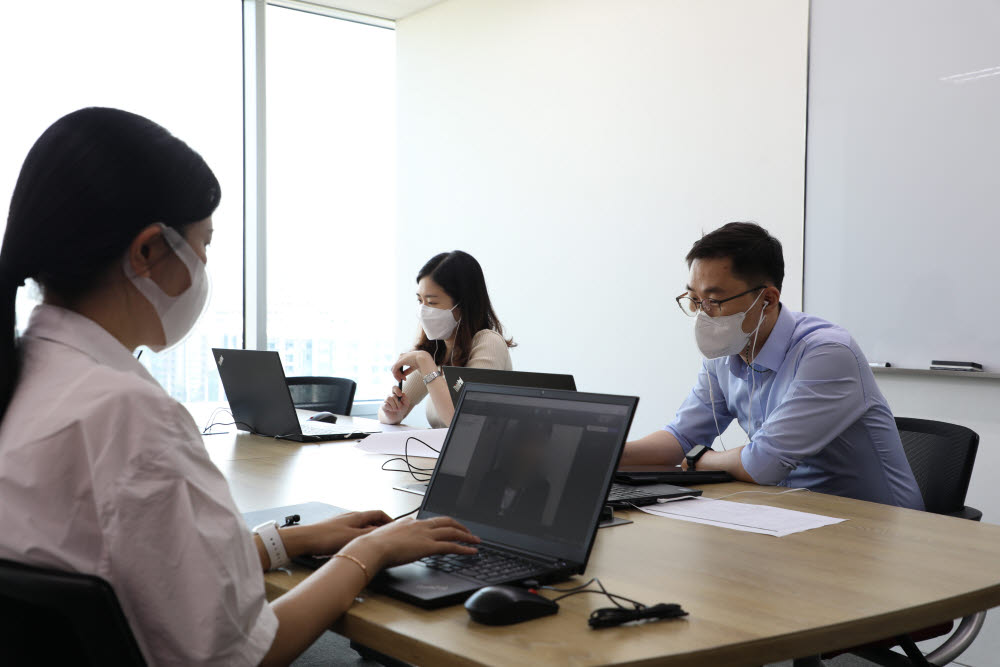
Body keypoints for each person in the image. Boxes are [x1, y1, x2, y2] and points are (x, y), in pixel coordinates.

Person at [0, 108, 480, 666]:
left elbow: (143, 566)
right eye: (203, 243)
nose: (205, 263)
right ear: (149, 251)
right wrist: (370, 552)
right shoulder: (127, 415)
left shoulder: (31, 377)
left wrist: (293, 541)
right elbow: (249, 654)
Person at [620, 222, 924, 509]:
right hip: (789, 514)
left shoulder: (827, 353)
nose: (703, 315)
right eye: (695, 301)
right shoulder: (727, 353)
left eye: (714, 301)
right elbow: (681, 438)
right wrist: (602, 454)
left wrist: (701, 460)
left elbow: (763, 463)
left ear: (767, 299)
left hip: (874, 526)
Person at [378, 250, 514, 428]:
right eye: (420, 301)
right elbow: (386, 415)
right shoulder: (436, 350)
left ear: (463, 305)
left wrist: (425, 363)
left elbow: (462, 422)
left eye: (432, 302)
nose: (423, 311)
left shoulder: (489, 343)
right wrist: (392, 412)